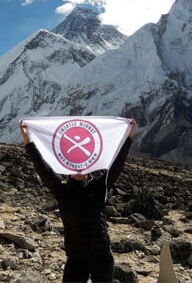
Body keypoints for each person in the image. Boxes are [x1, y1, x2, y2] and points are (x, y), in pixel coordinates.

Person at [20, 119, 136, 283]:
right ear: (67, 169)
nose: (78, 167)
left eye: (81, 163)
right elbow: (42, 168)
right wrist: (28, 142)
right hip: (76, 258)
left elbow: (117, 164)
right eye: (73, 165)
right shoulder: (63, 191)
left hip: (102, 255)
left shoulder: (99, 187)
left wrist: (128, 137)